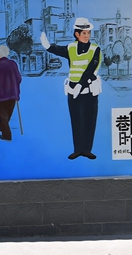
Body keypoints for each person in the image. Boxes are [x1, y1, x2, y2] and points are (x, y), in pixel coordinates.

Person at [41, 18, 101, 160]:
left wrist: (81, 84)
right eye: (84, 33)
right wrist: (47, 46)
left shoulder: (95, 49)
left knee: (89, 120)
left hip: (89, 91)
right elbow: (58, 50)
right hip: (73, 91)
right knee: (76, 120)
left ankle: (87, 150)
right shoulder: (71, 48)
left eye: (88, 32)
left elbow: (91, 69)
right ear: (77, 34)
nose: (87, 35)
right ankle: (78, 150)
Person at [0, 45, 22, 141]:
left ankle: (7, 135)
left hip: (1, 94)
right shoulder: (13, 64)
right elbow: (19, 78)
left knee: (3, 115)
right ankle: (0, 126)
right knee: (7, 114)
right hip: (13, 94)